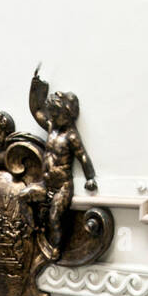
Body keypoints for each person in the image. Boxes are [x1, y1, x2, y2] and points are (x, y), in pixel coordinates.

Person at [29, 65, 97, 252]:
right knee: (23, 196)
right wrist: (36, 88)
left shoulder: (71, 135)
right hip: (45, 183)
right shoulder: (52, 127)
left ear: (67, 114)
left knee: (54, 217)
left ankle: (55, 247)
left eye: (56, 114)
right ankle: (35, 229)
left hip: (62, 187)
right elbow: (36, 110)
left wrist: (90, 178)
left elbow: (82, 156)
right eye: (52, 113)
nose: (52, 117)